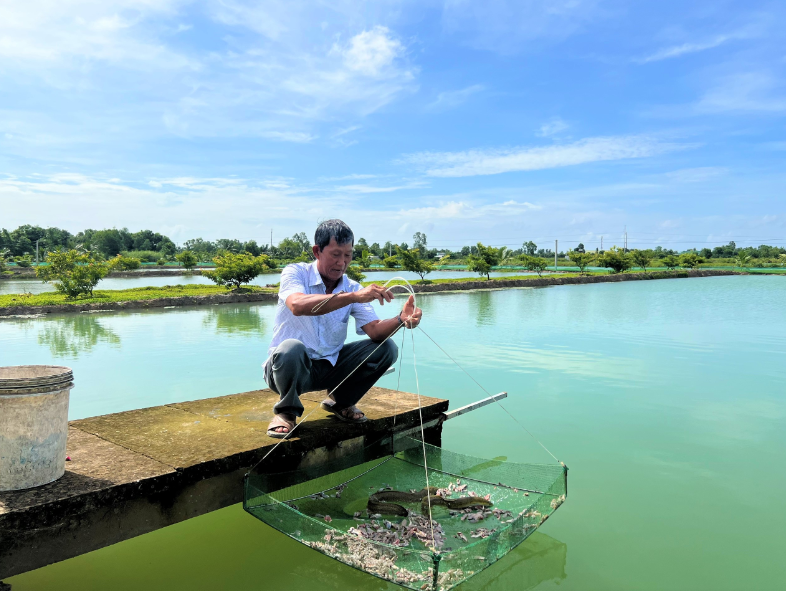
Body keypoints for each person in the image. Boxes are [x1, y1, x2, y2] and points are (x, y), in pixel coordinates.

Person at [264, 219, 422, 438]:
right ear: (317, 251)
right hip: (287, 370)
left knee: (387, 349)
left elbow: (375, 331)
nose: (342, 262)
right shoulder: (296, 272)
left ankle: (340, 401)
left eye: (348, 255)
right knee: (291, 348)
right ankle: (286, 413)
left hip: (330, 367)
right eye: (336, 254)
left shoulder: (352, 287)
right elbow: (297, 305)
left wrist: (400, 319)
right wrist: (352, 297)